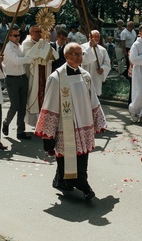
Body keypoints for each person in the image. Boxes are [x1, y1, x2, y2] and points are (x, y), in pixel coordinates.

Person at [35, 42, 107, 200]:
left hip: (84, 122)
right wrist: (48, 134)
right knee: (69, 156)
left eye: (80, 54)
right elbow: (50, 103)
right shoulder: (56, 78)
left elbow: (92, 99)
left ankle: (61, 181)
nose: (78, 57)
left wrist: (98, 120)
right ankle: (83, 185)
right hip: (65, 124)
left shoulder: (85, 76)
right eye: (73, 54)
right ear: (66, 56)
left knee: (82, 156)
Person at [22, 25, 57, 129]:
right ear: (31, 33)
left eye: (40, 31)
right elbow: (29, 55)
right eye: (36, 31)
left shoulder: (44, 42)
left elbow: (54, 55)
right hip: (33, 74)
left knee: (44, 97)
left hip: (45, 72)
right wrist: (41, 47)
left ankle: (42, 122)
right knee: (34, 97)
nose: (39, 33)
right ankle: (35, 122)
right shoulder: (27, 42)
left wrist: (44, 45)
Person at [2, 25, 33, 140]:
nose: (17, 37)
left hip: (22, 78)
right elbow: (16, 61)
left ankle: (20, 130)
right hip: (12, 79)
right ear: (9, 36)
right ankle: (6, 122)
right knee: (14, 105)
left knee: (22, 106)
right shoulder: (8, 47)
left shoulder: (19, 46)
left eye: (19, 35)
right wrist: (30, 58)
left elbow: (23, 57)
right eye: (15, 36)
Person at [81, 29, 111, 96]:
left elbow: (107, 63)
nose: (97, 38)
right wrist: (90, 47)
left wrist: (102, 69)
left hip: (96, 77)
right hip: (86, 75)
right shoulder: (82, 47)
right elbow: (82, 60)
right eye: (95, 36)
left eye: (98, 37)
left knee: (95, 96)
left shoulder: (102, 50)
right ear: (90, 37)